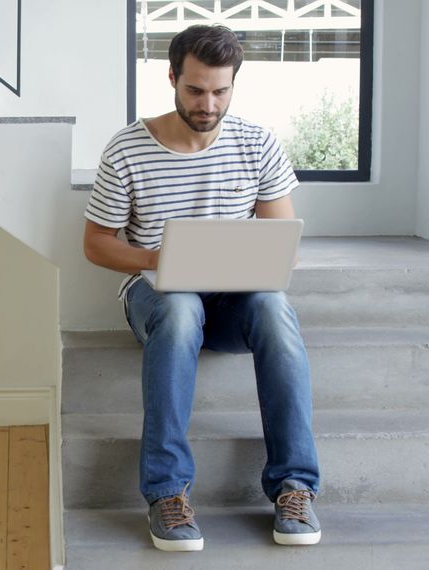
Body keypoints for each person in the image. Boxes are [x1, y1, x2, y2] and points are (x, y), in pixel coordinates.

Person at [81, 24, 322, 552]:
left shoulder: (257, 142)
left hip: (232, 299)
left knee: (275, 307)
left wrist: (256, 264)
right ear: (171, 77)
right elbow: (96, 243)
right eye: (194, 89)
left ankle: (294, 486)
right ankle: (167, 491)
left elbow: (284, 241)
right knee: (181, 307)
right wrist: (155, 258)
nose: (207, 103)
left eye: (220, 90)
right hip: (157, 298)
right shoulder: (126, 148)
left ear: (234, 84)